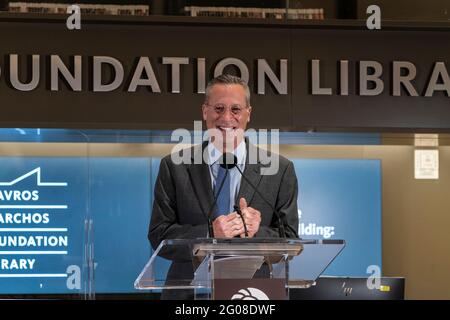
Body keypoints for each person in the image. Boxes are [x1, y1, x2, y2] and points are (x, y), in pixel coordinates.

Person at [148, 74, 299, 298]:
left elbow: (291, 241)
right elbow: (159, 236)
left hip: (255, 295)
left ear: (248, 113)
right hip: (190, 295)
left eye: (235, 109)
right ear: (205, 111)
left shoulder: (280, 169)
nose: (226, 118)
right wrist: (210, 233)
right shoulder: (174, 166)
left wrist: (255, 232)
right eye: (218, 108)